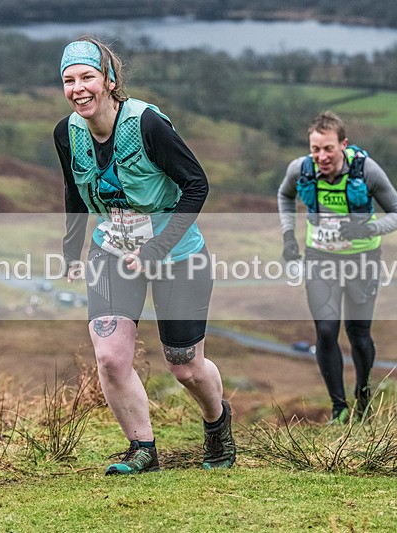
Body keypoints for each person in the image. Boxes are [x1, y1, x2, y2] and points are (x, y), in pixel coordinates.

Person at [53, 37, 235, 474]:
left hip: (176, 252)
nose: (78, 88)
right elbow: (74, 191)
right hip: (110, 249)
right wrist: (71, 245)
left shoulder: (148, 124)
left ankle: (217, 424)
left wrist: (157, 248)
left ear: (110, 81)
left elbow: (197, 185)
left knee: (185, 366)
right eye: (68, 80)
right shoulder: (67, 133)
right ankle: (142, 450)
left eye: (87, 78)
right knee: (111, 356)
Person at [277, 111, 397, 424]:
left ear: (343, 145)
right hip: (320, 257)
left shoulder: (367, 171)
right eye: (315, 149)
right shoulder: (301, 169)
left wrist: (368, 229)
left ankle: (363, 399)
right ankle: (339, 407)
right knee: (325, 331)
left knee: (358, 333)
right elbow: (284, 195)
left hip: (362, 260)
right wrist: (288, 236)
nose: (321, 156)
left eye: (328, 149)